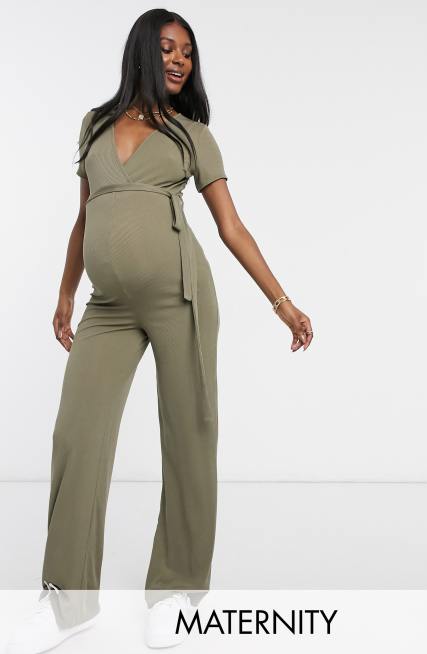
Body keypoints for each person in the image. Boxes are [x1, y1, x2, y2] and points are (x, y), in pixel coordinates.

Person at [5, 8, 313, 653]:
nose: (179, 60)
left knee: (190, 433)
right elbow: (85, 218)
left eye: (188, 53)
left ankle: (176, 591)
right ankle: (67, 603)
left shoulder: (192, 134)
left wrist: (281, 301)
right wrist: (65, 292)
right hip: (108, 307)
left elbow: (231, 227)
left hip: (182, 297)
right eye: (169, 48)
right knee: (76, 435)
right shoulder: (94, 124)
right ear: (143, 51)